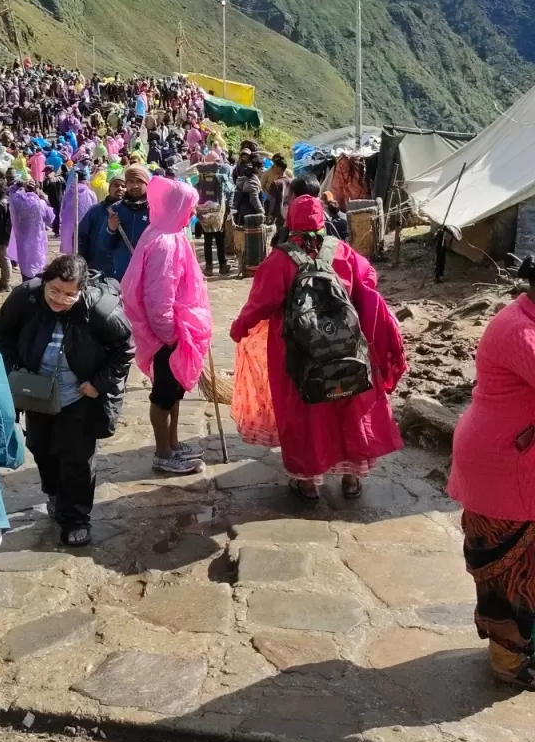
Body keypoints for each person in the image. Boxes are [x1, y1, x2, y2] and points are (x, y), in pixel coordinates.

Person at [229, 194, 406, 503]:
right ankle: (351, 479)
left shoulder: (280, 260)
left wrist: (239, 328)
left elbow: (260, 303)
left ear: (290, 223)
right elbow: (369, 282)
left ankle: (308, 483)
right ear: (323, 222)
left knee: (305, 415)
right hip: (346, 347)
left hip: (297, 352)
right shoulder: (343, 253)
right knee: (348, 407)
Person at [0, 254, 133, 547]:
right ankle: (54, 493)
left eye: (70, 294)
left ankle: (76, 519)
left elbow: (124, 349)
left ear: (81, 291)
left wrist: (99, 383)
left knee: (78, 460)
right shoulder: (26, 298)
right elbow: (2, 334)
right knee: (42, 449)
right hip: (37, 392)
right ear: (44, 283)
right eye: (54, 290)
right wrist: (15, 369)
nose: (60, 299)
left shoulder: (101, 309)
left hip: (79, 396)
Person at [448, 258, 535, 688]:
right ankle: (508, 660)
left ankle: (520, 647)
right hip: (503, 465)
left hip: (512, 460)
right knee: (509, 574)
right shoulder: (519, 330)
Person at [121, 176, 212, 476]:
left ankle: (173, 443)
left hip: (173, 331)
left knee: (174, 392)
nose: (193, 213)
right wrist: (170, 335)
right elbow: (158, 297)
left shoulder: (166, 232)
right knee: (163, 394)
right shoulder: (164, 243)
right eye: (190, 207)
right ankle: (162, 452)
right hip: (166, 334)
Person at [106, 163, 151, 280]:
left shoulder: (155, 209)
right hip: (123, 273)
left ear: (147, 183)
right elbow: (104, 245)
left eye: (139, 181)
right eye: (130, 182)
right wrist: (110, 230)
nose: (134, 186)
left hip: (149, 271)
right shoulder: (115, 209)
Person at [78, 175, 125, 277]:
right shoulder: (95, 210)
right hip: (96, 266)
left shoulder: (131, 213)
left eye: (123, 186)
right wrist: (82, 260)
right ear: (109, 189)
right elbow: (81, 235)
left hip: (121, 270)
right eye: (116, 185)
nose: (120, 188)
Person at [196, 155, 233, 277]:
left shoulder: (199, 179)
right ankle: (222, 266)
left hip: (204, 213)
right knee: (219, 239)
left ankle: (209, 267)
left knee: (207, 240)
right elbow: (229, 190)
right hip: (217, 214)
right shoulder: (221, 178)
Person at [9, 182, 54, 280]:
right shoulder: (41, 203)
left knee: (25, 266)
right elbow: (50, 219)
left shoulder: (19, 202)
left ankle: (25, 287)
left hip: (23, 241)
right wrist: (45, 199)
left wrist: (19, 184)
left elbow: (11, 192)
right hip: (38, 241)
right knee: (37, 266)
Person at [59, 168, 97, 255]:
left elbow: (62, 210)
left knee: (71, 252)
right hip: (85, 226)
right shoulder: (91, 193)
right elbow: (95, 210)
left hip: (69, 226)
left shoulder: (68, 193)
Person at [42, 166, 66, 235]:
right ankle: (56, 229)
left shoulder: (48, 180)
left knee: (55, 214)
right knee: (58, 214)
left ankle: (56, 230)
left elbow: (45, 190)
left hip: (52, 199)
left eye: (46, 172)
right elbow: (65, 186)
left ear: (49, 171)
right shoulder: (60, 178)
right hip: (60, 198)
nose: (45, 173)